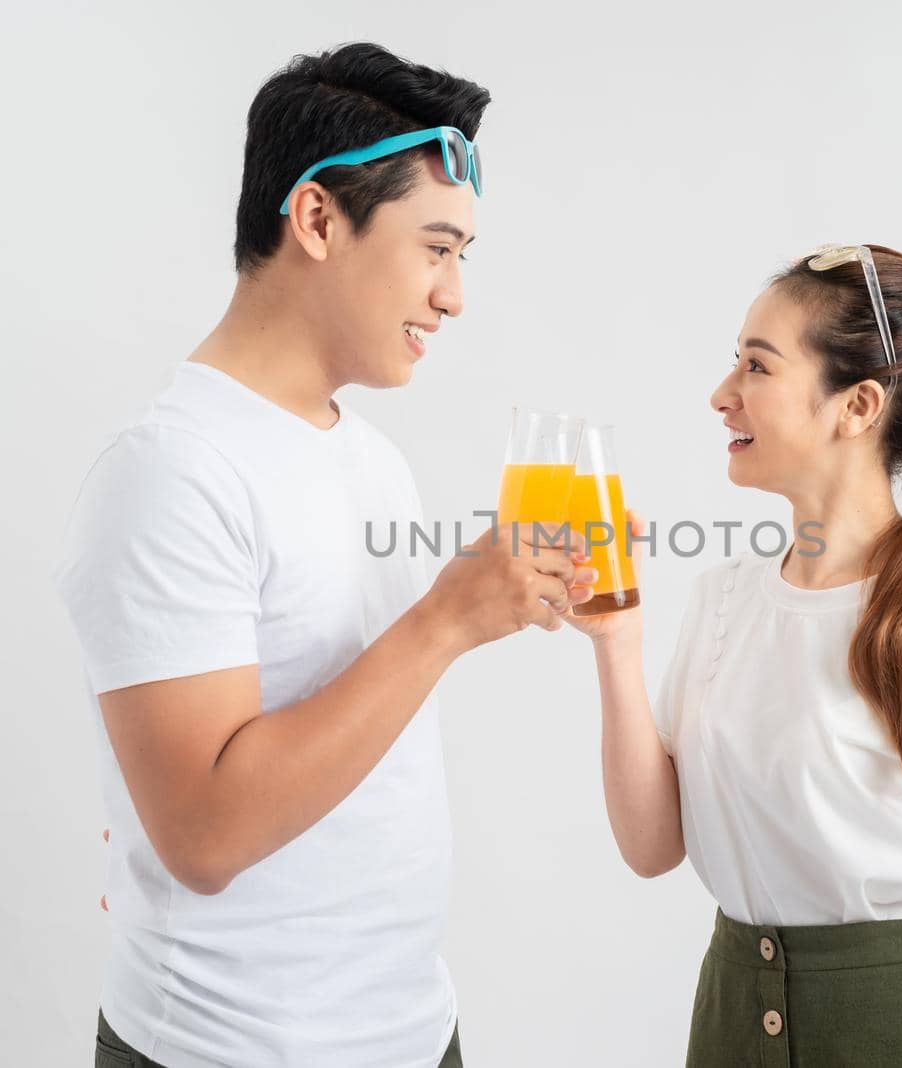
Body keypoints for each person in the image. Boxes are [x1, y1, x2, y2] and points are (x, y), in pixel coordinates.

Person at [53, 43, 595, 1067]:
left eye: (463, 257)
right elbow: (206, 837)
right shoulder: (171, 471)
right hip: (232, 1051)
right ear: (314, 220)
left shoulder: (368, 457)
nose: (454, 297)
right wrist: (444, 620)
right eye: (435, 248)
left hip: (411, 1032)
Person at [569, 244, 902, 1066]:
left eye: (756, 367)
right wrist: (616, 641)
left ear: (858, 406)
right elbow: (651, 847)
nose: (722, 395)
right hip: (731, 1030)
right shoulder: (724, 599)